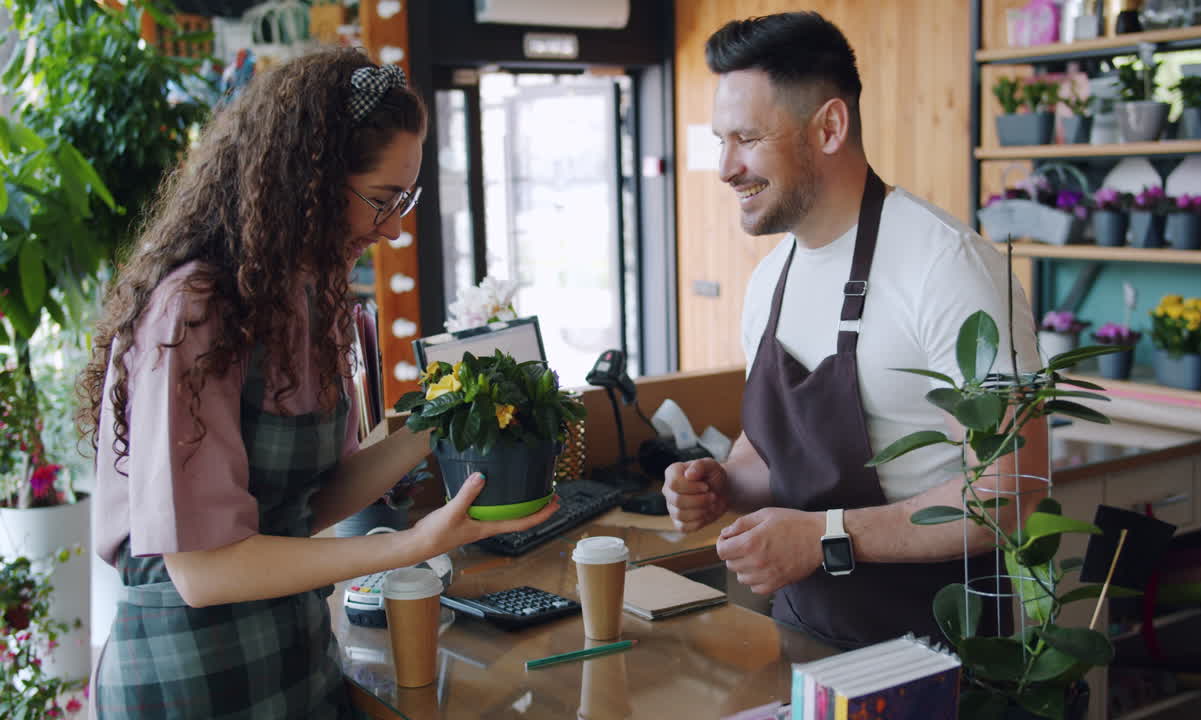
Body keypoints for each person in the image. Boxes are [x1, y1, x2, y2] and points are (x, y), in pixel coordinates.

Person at [80, 48, 559, 718]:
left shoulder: (309, 303)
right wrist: (409, 546)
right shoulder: (193, 313)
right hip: (186, 679)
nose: (393, 229)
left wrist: (446, 416)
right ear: (305, 179)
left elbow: (307, 505)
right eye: (382, 201)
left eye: (406, 202)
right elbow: (202, 570)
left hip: (296, 660)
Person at [662, 12, 1049, 649]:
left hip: (940, 659)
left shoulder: (947, 268)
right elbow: (767, 454)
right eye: (720, 141)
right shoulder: (770, 281)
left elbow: (1010, 490)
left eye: (747, 139)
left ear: (830, 127)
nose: (726, 167)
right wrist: (723, 483)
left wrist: (824, 538)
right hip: (806, 641)